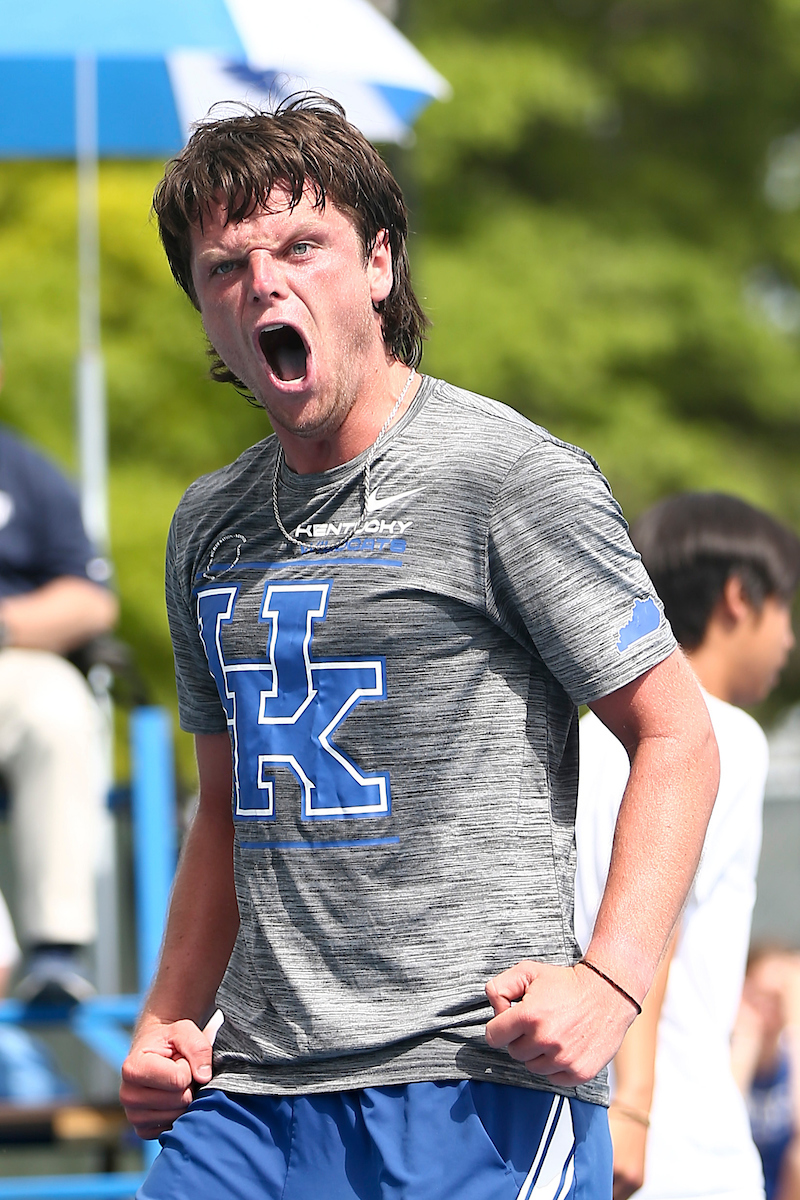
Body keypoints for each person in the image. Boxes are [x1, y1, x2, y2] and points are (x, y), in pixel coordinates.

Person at [119, 97, 719, 1200]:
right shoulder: (206, 524)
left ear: (379, 264)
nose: (264, 284)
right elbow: (224, 808)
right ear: (203, 308)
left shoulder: (503, 475)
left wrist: (611, 983)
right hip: (250, 1095)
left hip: (468, 1082)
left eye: (302, 246)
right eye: (225, 267)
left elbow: (678, 735)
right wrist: (164, 1018)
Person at [574, 492, 800, 1200]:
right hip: (674, 1137)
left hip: (580, 1113)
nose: (789, 639)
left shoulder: (589, 734)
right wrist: (636, 1106)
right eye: (784, 610)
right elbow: (656, 918)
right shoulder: (723, 735)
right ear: (739, 598)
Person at [0, 332, 118, 1005]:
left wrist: (8, 624)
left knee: (60, 704)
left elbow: (90, 600)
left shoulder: (27, 473)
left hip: (13, 664)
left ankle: (54, 951)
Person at [733, 947, 800, 1200]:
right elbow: (719, 1131)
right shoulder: (725, 1055)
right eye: (759, 995)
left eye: (779, 998)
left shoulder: (792, 1059)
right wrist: (746, 1042)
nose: (769, 1009)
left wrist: (795, 1026)